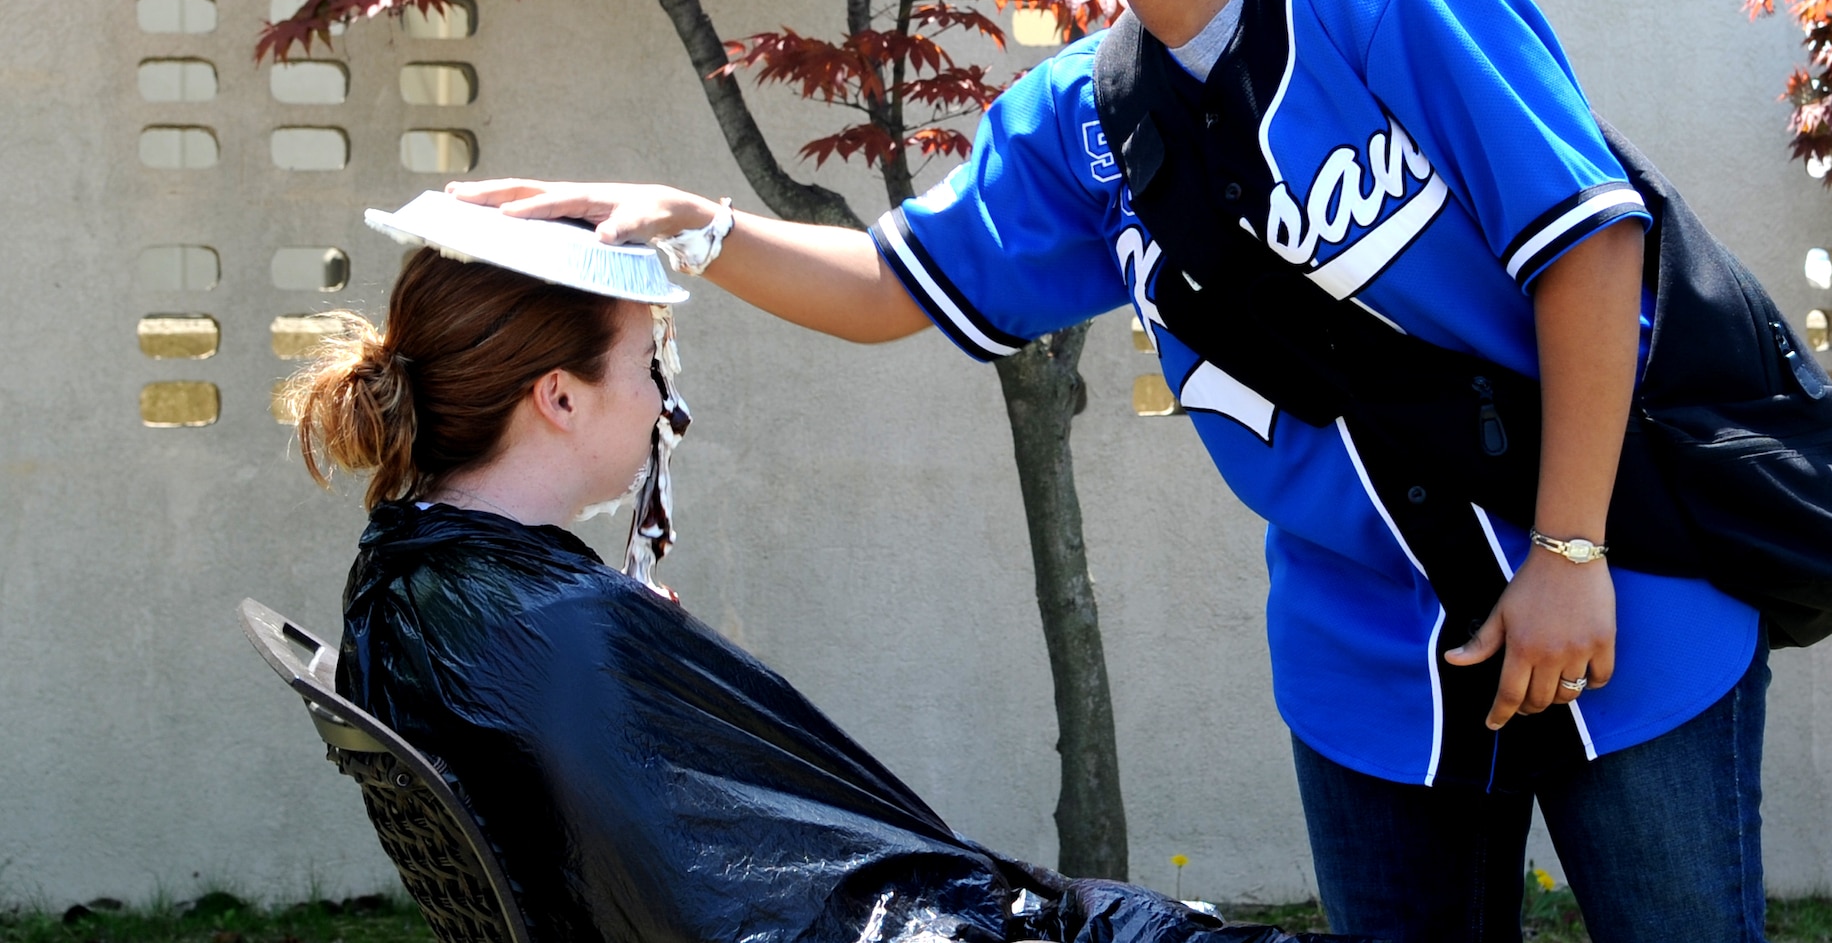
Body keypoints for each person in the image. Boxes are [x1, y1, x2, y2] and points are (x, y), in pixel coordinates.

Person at [452, 0, 1768, 942]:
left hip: (1621, 605)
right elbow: (896, 287)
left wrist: (1569, 552)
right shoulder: (1079, 120)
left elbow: (1589, 247)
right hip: (1368, 660)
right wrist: (701, 223)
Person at [288, 237, 1357, 943]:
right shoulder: (553, 629)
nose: (667, 401)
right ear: (560, 396)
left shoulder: (415, 572)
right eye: (647, 366)